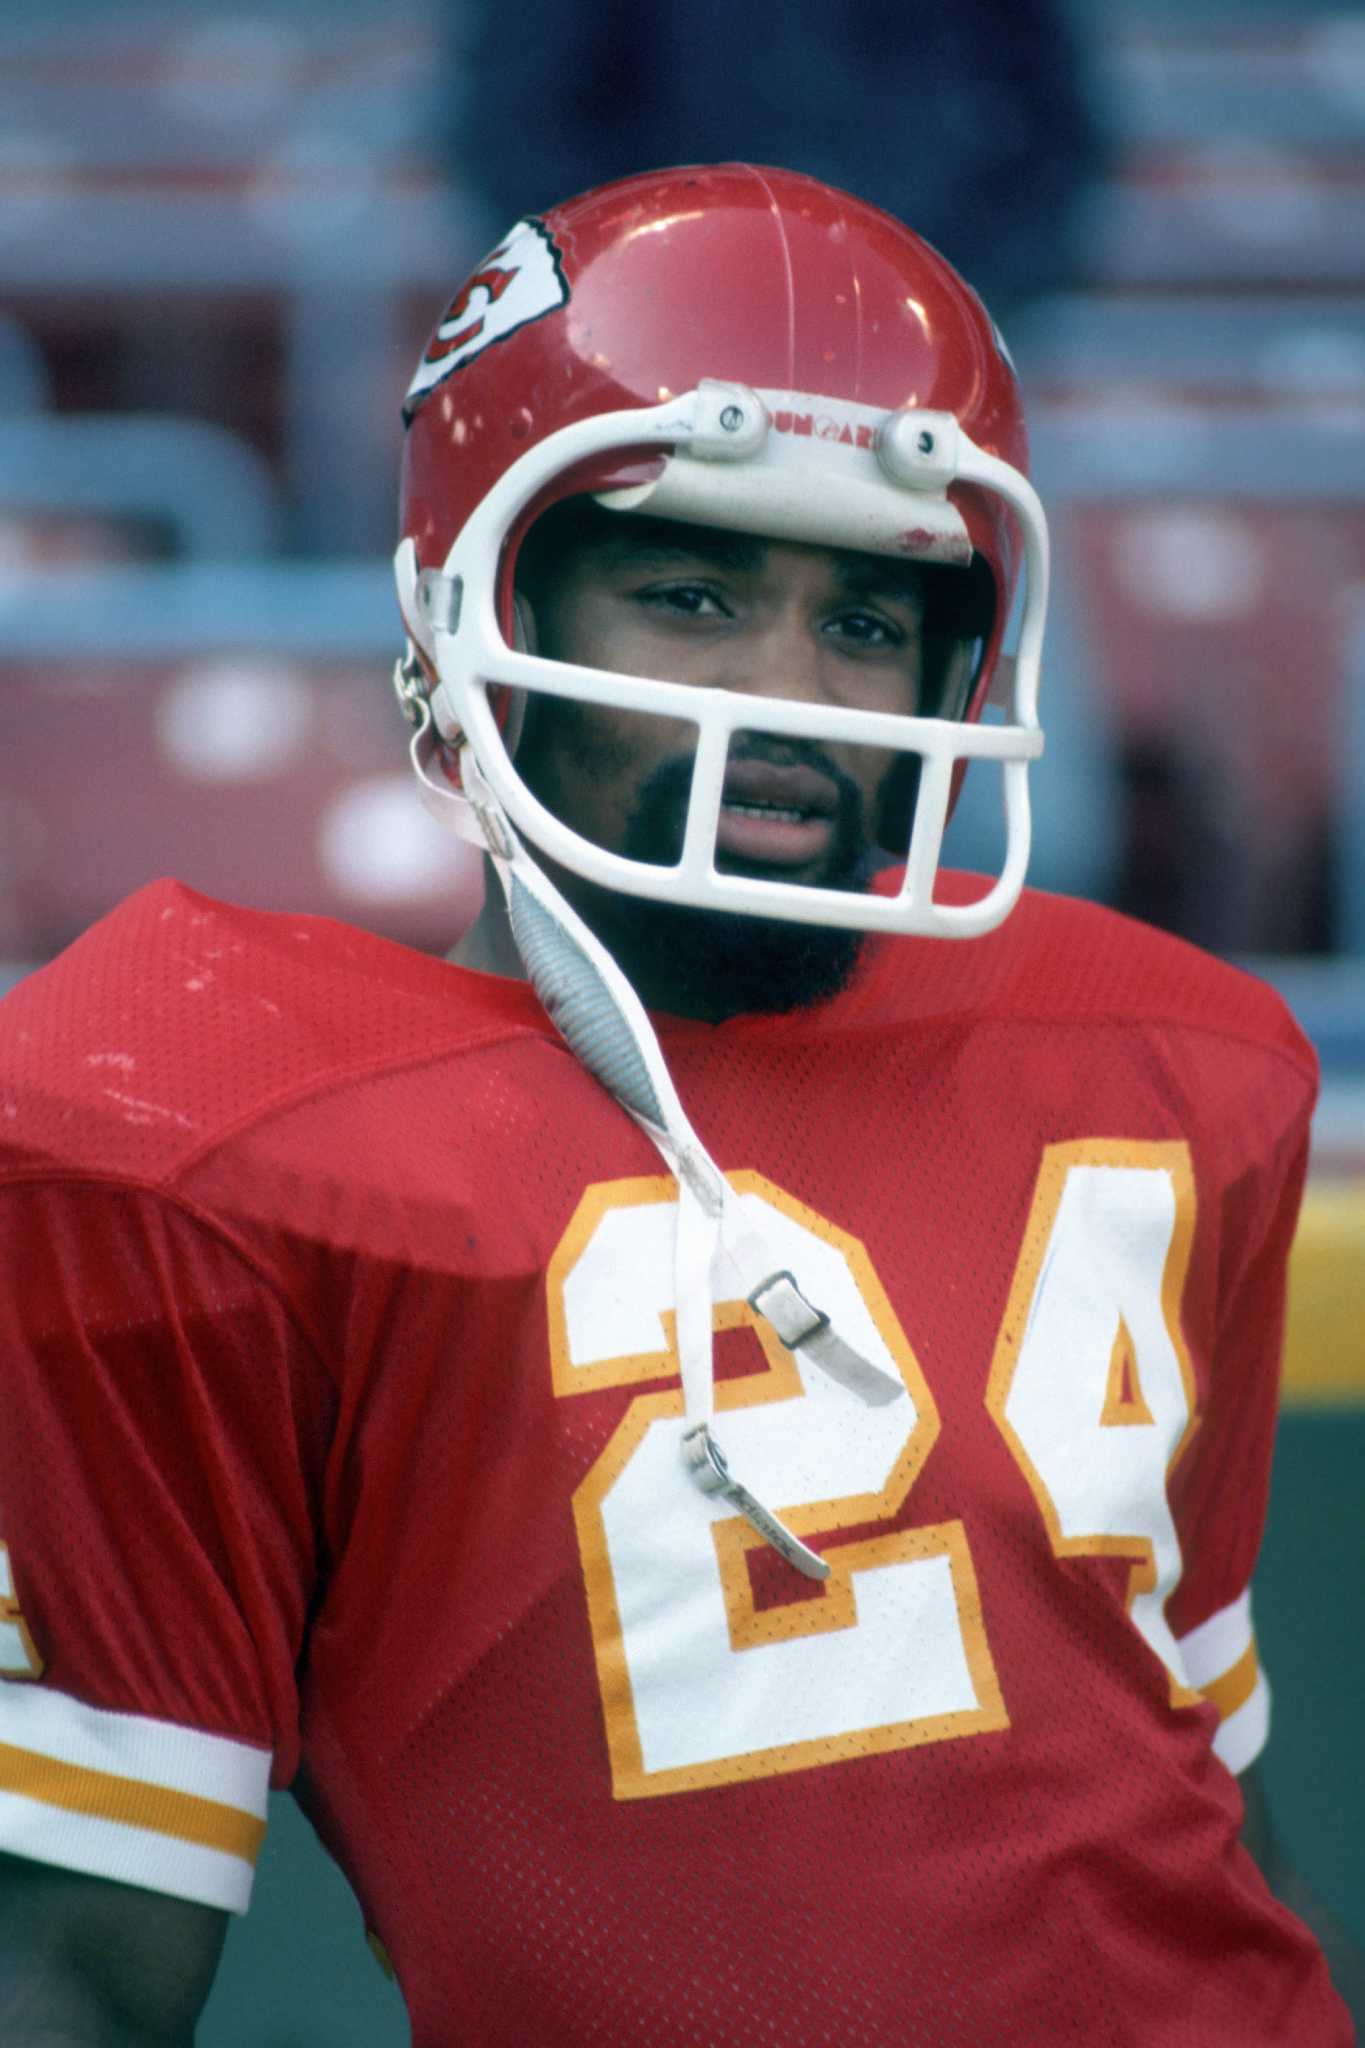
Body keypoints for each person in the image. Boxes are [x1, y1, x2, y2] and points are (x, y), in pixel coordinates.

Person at [0, 165, 1357, 2045]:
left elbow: (1194, 1802)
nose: (789, 698)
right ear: (462, 620)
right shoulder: (199, 1135)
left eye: (866, 626)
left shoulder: (1161, 1058)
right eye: (693, 593)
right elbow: (76, 1974)